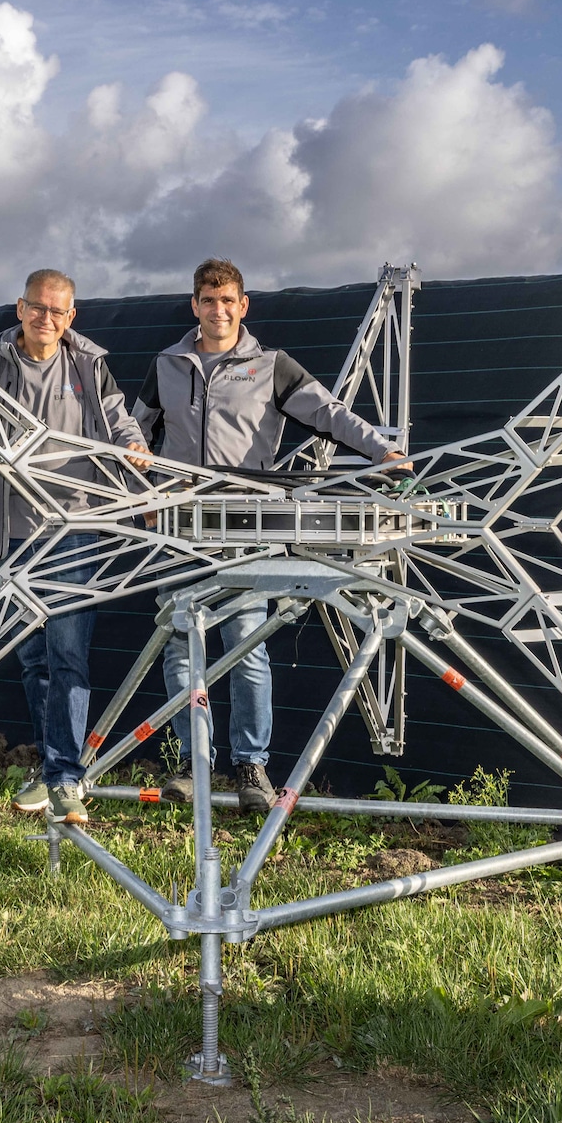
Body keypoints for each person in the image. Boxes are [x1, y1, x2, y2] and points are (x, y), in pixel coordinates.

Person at [133, 258, 406, 811]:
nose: (218, 310)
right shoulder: (166, 365)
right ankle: (193, 764)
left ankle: (250, 768)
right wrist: (143, 494)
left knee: (246, 646)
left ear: (243, 305)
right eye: (208, 301)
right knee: (182, 647)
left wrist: (382, 451)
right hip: (181, 527)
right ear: (194, 305)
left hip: (245, 527)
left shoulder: (271, 366)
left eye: (228, 300)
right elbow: (132, 433)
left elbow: (329, 414)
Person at [0, 269, 149, 827]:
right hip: (10, 531)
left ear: (72, 317)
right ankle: (50, 766)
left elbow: (118, 422)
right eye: (38, 308)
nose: (47, 319)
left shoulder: (88, 365)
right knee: (31, 654)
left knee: (68, 652)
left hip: (73, 528)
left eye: (58, 311)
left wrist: (134, 447)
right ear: (20, 308)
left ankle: (66, 776)